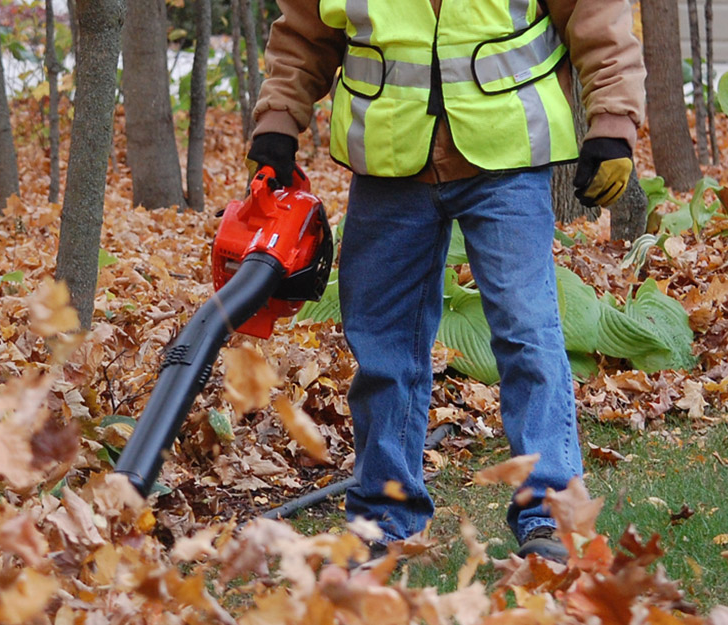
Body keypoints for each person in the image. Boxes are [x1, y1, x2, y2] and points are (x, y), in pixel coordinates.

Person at [246, 0, 646, 562]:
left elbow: (596, 15)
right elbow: (304, 34)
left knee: (528, 334)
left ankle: (552, 515)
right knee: (383, 348)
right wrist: (278, 123)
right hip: (388, 157)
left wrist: (612, 121)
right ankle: (385, 521)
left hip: (505, 152)